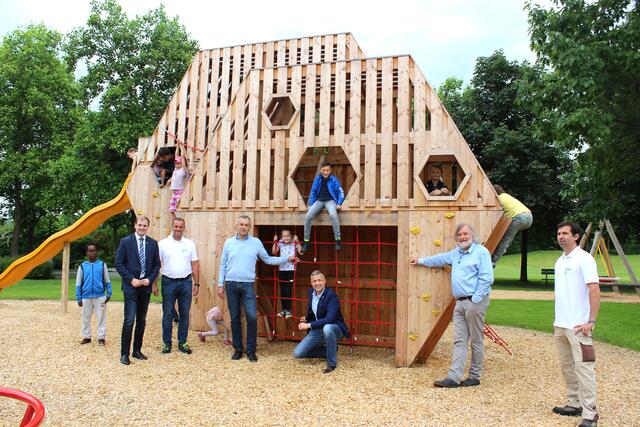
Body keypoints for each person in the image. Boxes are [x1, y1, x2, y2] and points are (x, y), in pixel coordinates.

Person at [410, 223, 493, 388]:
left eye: (465, 234)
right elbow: (439, 259)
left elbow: (486, 278)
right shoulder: (457, 253)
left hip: (474, 302)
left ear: (472, 235)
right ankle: (454, 378)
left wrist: (476, 299)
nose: (462, 237)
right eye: (459, 235)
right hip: (460, 303)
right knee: (459, 340)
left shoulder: (481, 252)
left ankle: (474, 376)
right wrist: (419, 261)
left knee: (476, 340)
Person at [217, 215, 297, 362]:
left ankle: (251, 350)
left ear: (250, 227)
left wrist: (287, 258)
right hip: (231, 284)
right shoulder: (229, 243)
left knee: (252, 317)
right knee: (235, 318)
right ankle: (238, 349)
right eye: (241, 224)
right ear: (236, 226)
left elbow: (267, 259)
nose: (243, 227)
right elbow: (223, 265)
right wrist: (220, 285)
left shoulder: (255, 242)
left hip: (247, 285)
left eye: (246, 225)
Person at [551, 221, 600, 427]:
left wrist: (591, 321)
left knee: (584, 369)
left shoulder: (584, 259)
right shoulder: (560, 261)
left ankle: (590, 414)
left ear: (576, 236)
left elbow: (594, 289)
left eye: (565, 233)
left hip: (580, 327)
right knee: (567, 367)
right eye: (559, 233)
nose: (561, 236)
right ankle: (574, 404)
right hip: (561, 325)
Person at [115, 215, 161, 366]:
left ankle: (137, 351)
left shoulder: (153, 244)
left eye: (144, 225)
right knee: (129, 320)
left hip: (145, 287)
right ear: (135, 225)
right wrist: (131, 279)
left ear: (148, 227)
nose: (142, 227)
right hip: (131, 287)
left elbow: (156, 265)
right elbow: (119, 264)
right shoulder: (125, 242)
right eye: (139, 225)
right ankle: (124, 354)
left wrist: (150, 279)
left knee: (141, 321)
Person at [293, 270, 350, 373]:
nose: (317, 283)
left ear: (324, 281)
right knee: (298, 353)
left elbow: (330, 319)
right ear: (311, 283)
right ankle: (330, 350)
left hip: (335, 327)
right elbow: (316, 311)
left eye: (319, 280)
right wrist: (308, 318)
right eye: (314, 281)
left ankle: (331, 364)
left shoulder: (331, 295)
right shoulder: (311, 292)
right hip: (318, 328)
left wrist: (308, 325)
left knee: (327, 328)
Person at [157, 217, 200, 354]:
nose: (178, 229)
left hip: (186, 282)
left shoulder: (189, 244)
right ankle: (167, 343)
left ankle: (182, 342)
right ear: (172, 227)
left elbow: (195, 264)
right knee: (168, 314)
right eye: (176, 226)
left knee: (185, 314)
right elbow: (156, 265)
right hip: (168, 281)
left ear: (184, 228)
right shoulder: (162, 244)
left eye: (181, 227)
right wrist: (154, 284)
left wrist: (197, 283)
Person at [301, 160, 345, 253]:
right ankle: (306, 241)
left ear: (330, 170)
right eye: (324, 170)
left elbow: (341, 192)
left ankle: (337, 239)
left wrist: (339, 203)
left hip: (330, 201)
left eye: (327, 170)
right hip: (319, 201)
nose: (325, 172)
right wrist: (311, 204)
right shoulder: (318, 179)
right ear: (320, 170)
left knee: (333, 215)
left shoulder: (333, 180)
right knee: (308, 216)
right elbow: (313, 191)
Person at [76, 243, 112, 346]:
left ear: (97, 252)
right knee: (85, 317)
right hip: (86, 297)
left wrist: (109, 293)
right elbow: (78, 283)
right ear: (87, 253)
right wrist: (79, 297)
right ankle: (86, 336)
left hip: (100, 296)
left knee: (101, 317)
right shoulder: (82, 266)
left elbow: (107, 280)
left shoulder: (102, 265)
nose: (92, 253)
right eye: (89, 251)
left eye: (94, 251)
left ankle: (101, 338)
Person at [491, 184, 533, 267]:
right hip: (529, 217)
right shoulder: (506, 196)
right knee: (507, 238)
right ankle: (495, 256)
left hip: (519, 217)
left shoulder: (498, 199)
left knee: (504, 240)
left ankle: (493, 262)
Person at [272, 229, 302, 319]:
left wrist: (298, 242)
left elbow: (300, 251)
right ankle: (283, 310)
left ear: (291, 236)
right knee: (282, 290)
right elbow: (274, 252)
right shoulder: (280, 242)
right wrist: (275, 241)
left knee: (288, 289)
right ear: (282, 237)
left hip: (291, 269)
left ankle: (288, 310)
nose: (286, 238)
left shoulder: (294, 242)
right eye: (284, 236)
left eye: (288, 236)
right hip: (282, 269)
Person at [166, 153, 190, 220]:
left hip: (180, 192)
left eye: (179, 164)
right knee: (171, 209)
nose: (177, 165)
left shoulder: (182, 170)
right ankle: (175, 222)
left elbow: (182, 161)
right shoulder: (175, 170)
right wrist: (178, 145)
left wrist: (182, 154)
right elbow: (176, 155)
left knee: (179, 208)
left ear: (182, 164)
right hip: (174, 193)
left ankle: (180, 221)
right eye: (176, 164)